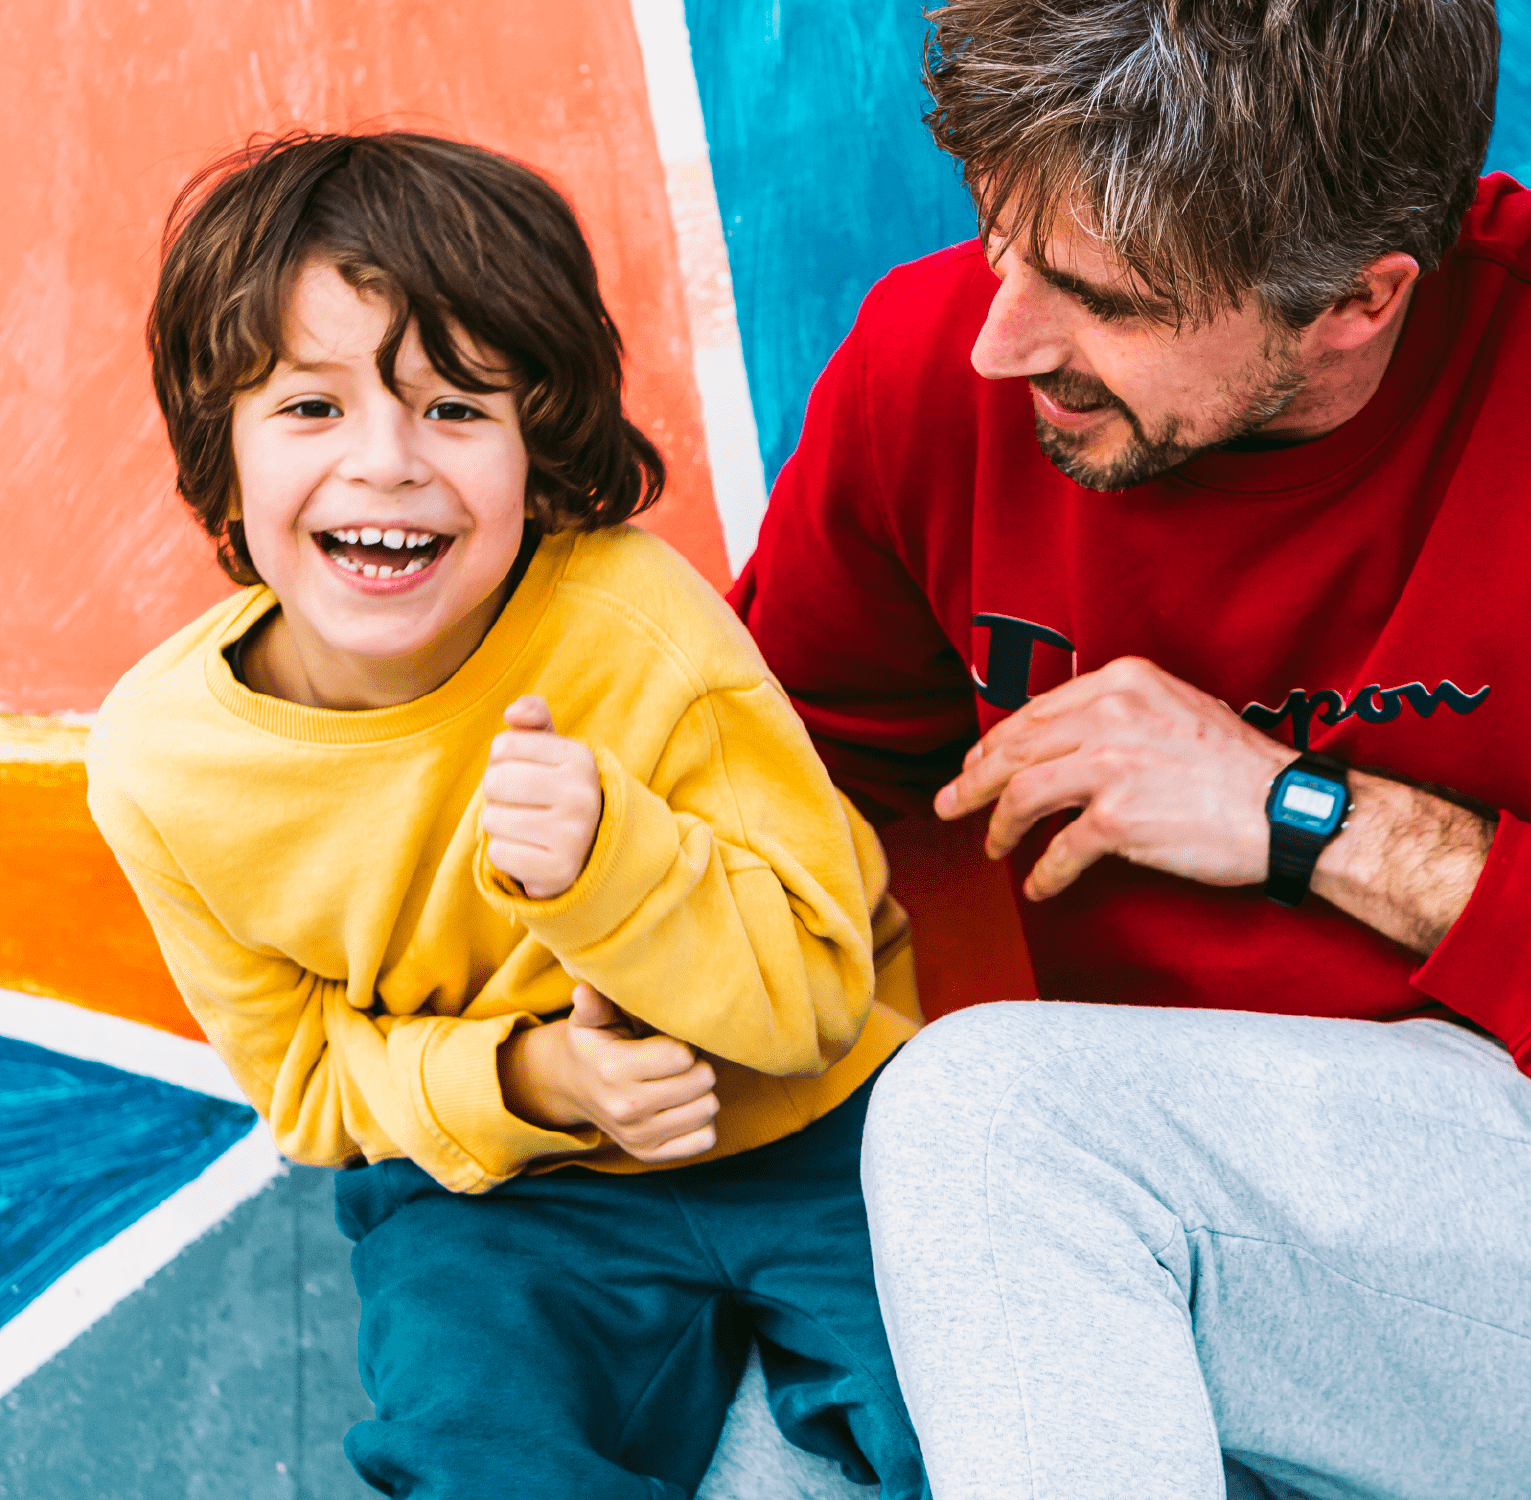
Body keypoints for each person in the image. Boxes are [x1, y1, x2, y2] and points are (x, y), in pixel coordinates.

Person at [732, 0, 1531, 1497]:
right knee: (784, 1447)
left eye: (1098, 297)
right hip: (1210, 1242)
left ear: (1357, 303)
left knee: (992, 1118)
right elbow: (763, 787)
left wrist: (1302, 816)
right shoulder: (933, 385)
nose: (998, 342)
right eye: (1000, 241)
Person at [84, 133, 927, 1500]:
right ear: (218, 443)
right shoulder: (165, 764)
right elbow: (306, 1082)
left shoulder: (635, 628)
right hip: (505, 1200)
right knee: (475, 1450)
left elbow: (820, 988)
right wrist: (544, 1083)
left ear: (541, 451)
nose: (387, 465)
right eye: (310, 408)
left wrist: (613, 868)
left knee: (971, 1413)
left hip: (813, 1132)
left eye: (457, 409)